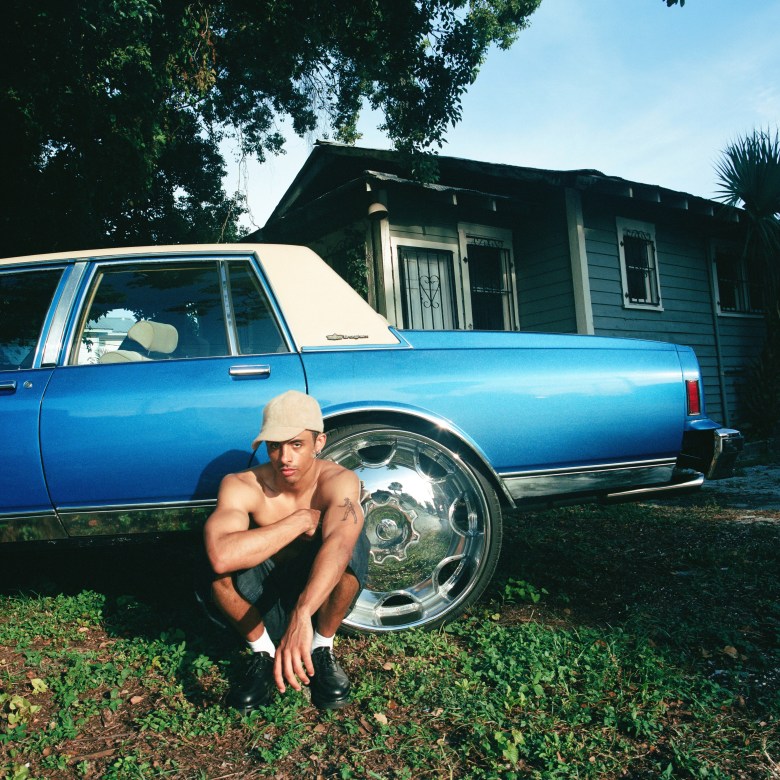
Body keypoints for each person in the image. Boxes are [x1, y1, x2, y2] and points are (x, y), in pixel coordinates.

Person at [203, 390, 369, 712]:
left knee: (351, 544)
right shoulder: (241, 484)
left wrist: (303, 614)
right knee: (214, 568)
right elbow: (221, 555)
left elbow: (339, 546)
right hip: (260, 600)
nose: (284, 458)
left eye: (296, 444)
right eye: (275, 446)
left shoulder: (339, 481)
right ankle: (262, 653)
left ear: (319, 443)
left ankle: (322, 647)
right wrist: (301, 520)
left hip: (318, 598)